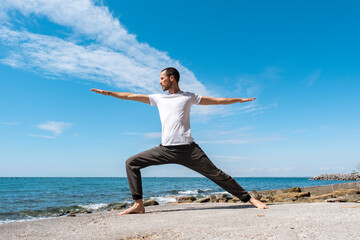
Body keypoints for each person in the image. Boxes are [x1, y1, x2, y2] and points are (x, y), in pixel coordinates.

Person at [91, 67, 268, 215]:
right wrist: (107, 93)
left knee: (217, 175)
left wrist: (238, 100)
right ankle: (138, 204)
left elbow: (215, 101)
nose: (159, 82)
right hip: (165, 150)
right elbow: (130, 96)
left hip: (189, 151)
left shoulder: (188, 97)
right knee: (131, 163)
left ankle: (250, 199)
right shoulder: (158, 98)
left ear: (172, 78)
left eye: (162, 78)